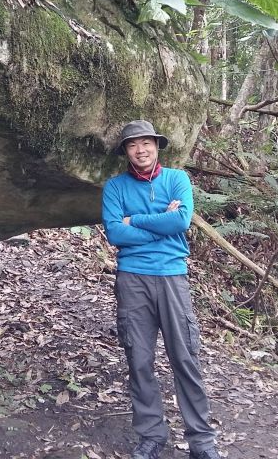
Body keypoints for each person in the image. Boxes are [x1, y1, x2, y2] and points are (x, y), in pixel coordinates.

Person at [102, 119, 220, 459]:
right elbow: (114, 234)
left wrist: (135, 221)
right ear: (125, 151)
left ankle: (201, 441)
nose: (141, 150)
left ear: (157, 146)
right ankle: (152, 436)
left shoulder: (177, 179)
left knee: (185, 358)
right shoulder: (115, 187)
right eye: (133, 144)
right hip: (132, 278)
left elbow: (181, 221)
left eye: (146, 143)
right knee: (139, 359)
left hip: (172, 277)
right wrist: (161, 225)